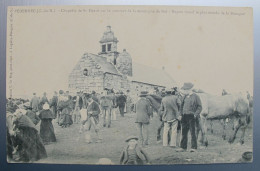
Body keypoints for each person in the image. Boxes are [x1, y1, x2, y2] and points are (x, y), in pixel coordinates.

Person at [177, 82, 202, 152]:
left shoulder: (196, 96)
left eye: (185, 89)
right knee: (184, 132)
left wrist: (195, 114)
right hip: (184, 116)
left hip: (192, 117)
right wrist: (180, 114)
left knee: (192, 132)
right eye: (184, 89)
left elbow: (200, 107)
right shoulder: (184, 97)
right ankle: (183, 147)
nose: (184, 91)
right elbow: (181, 106)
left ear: (190, 89)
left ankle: (193, 148)